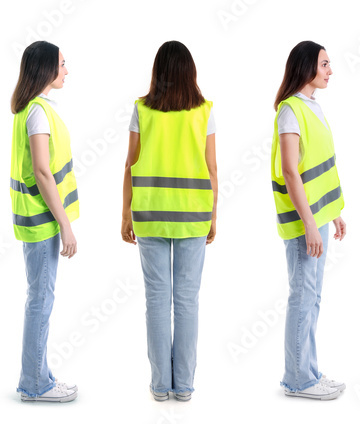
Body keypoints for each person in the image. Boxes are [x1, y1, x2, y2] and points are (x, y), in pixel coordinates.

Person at [121, 40, 217, 402]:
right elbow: (212, 169)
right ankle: (185, 386)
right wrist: (213, 215)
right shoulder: (204, 111)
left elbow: (130, 165)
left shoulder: (142, 110)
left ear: (158, 73)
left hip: (149, 214)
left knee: (157, 300)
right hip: (193, 215)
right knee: (188, 301)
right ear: (190, 72)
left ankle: (161, 385)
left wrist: (124, 214)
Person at [270, 40, 347, 401]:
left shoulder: (312, 106)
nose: (330, 70)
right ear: (307, 68)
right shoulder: (291, 110)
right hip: (304, 224)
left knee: (312, 296)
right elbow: (290, 171)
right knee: (303, 295)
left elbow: (316, 168)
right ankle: (298, 378)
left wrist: (333, 213)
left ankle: (309, 370)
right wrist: (311, 224)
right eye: (325, 64)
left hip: (317, 219)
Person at [9, 40, 80, 403]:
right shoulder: (38, 111)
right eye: (63, 64)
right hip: (43, 222)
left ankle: (38, 372)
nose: (66, 70)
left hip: (39, 220)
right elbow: (41, 171)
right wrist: (65, 224)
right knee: (40, 299)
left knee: (40, 297)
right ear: (47, 69)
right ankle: (35, 384)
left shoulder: (35, 109)